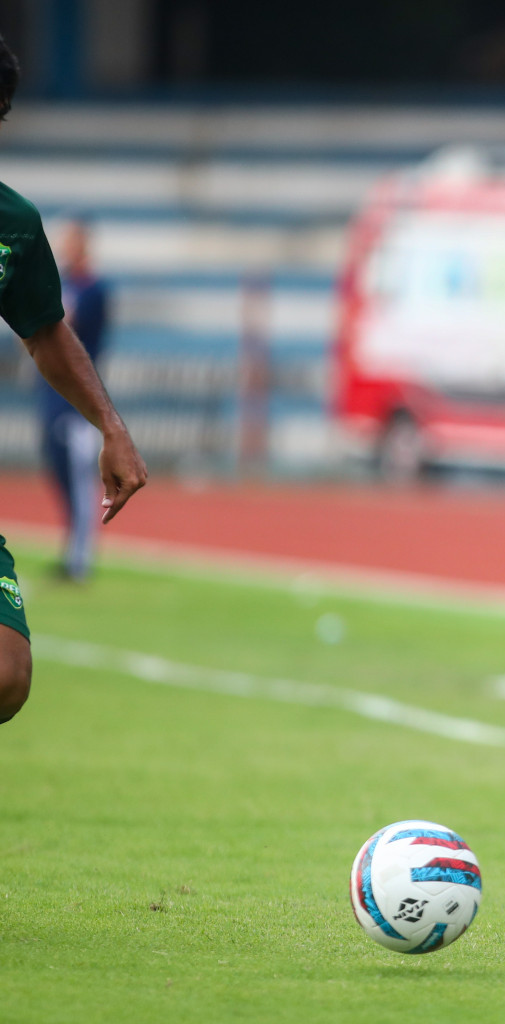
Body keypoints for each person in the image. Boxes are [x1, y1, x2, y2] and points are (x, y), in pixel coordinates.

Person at [0, 35, 147, 725]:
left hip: (61, 412)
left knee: (7, 673)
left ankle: (78, 554)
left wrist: (111, 427)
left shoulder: (14, 225)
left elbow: (46, 330)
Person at [40, 218, 111, 581]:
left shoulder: (94, 288)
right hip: (53, 396)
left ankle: (80, 559)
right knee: (59, 473)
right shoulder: (62, 283)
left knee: (80, 479)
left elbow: (74, 332)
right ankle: (72, 547)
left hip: (77, 400)